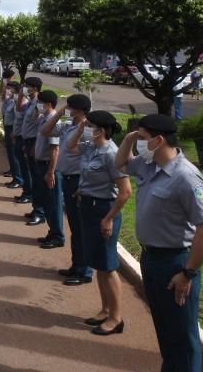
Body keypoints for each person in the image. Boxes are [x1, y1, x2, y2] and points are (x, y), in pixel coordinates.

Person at [115, 114, 203, 372]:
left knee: (182, 337)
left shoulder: (187, 177)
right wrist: (129, 137)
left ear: (158, 140)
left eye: (143, 138)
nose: (139, 142)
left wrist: (187, 273)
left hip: (176, 263)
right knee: (165, 329)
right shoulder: (149, 165)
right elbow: (121, 164)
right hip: (151, 259)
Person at [67, 110, 131, 336]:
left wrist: (108, 218)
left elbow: (125, 192)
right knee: (99, 266)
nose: (86, 127)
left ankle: (116, 318)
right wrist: (79, 128)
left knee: (108, 265)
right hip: (88, 207)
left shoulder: (112, 154)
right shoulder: (90, 146)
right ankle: (105, 310)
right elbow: (70, 147)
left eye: (89, 125)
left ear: (101, 130)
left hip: (103, 211)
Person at [42, 93, 93, 286]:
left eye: (70, 107)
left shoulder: (86, 129)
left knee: (81, 228)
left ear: (78, 110)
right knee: (74, 227)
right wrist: (60, 112)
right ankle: (76, 266)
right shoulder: (68, 126)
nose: (67, 110)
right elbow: (45, 130)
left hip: (80, 181)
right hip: (69, 180)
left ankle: (85, 271)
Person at [35, 90, 63, 249]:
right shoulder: (44, 118)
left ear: (49, 104)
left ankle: (58, 235)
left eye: (40, 103)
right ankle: (52, 232)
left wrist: (51, 172)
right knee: (47, 201)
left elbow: (55, 149)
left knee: (53, 202)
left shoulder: (53, 121)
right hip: (41, 164)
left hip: (48, 167)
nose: (38, 105)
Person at [20, 77, 44, 226]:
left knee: (37, 180)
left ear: (35, 88)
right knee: (33, 178)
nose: (25, 88)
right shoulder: (31, 102)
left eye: (27, 86)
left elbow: (39, 126)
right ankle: (36, 208)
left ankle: (40, 212)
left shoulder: (39, 104)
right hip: (28, 141)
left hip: (35, 143)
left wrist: (34, 146)